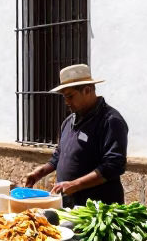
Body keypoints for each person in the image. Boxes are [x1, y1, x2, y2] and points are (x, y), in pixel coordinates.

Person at [22, 64, 128, 207]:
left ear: (87, 90)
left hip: (98, 209)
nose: (67, 102)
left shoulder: (110, 121)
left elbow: (113, 166)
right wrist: (39, 173)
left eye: (70, 96)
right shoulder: (68, 122)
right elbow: (58, 157)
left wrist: (75, 184)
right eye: (65, 97)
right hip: (69, 204)